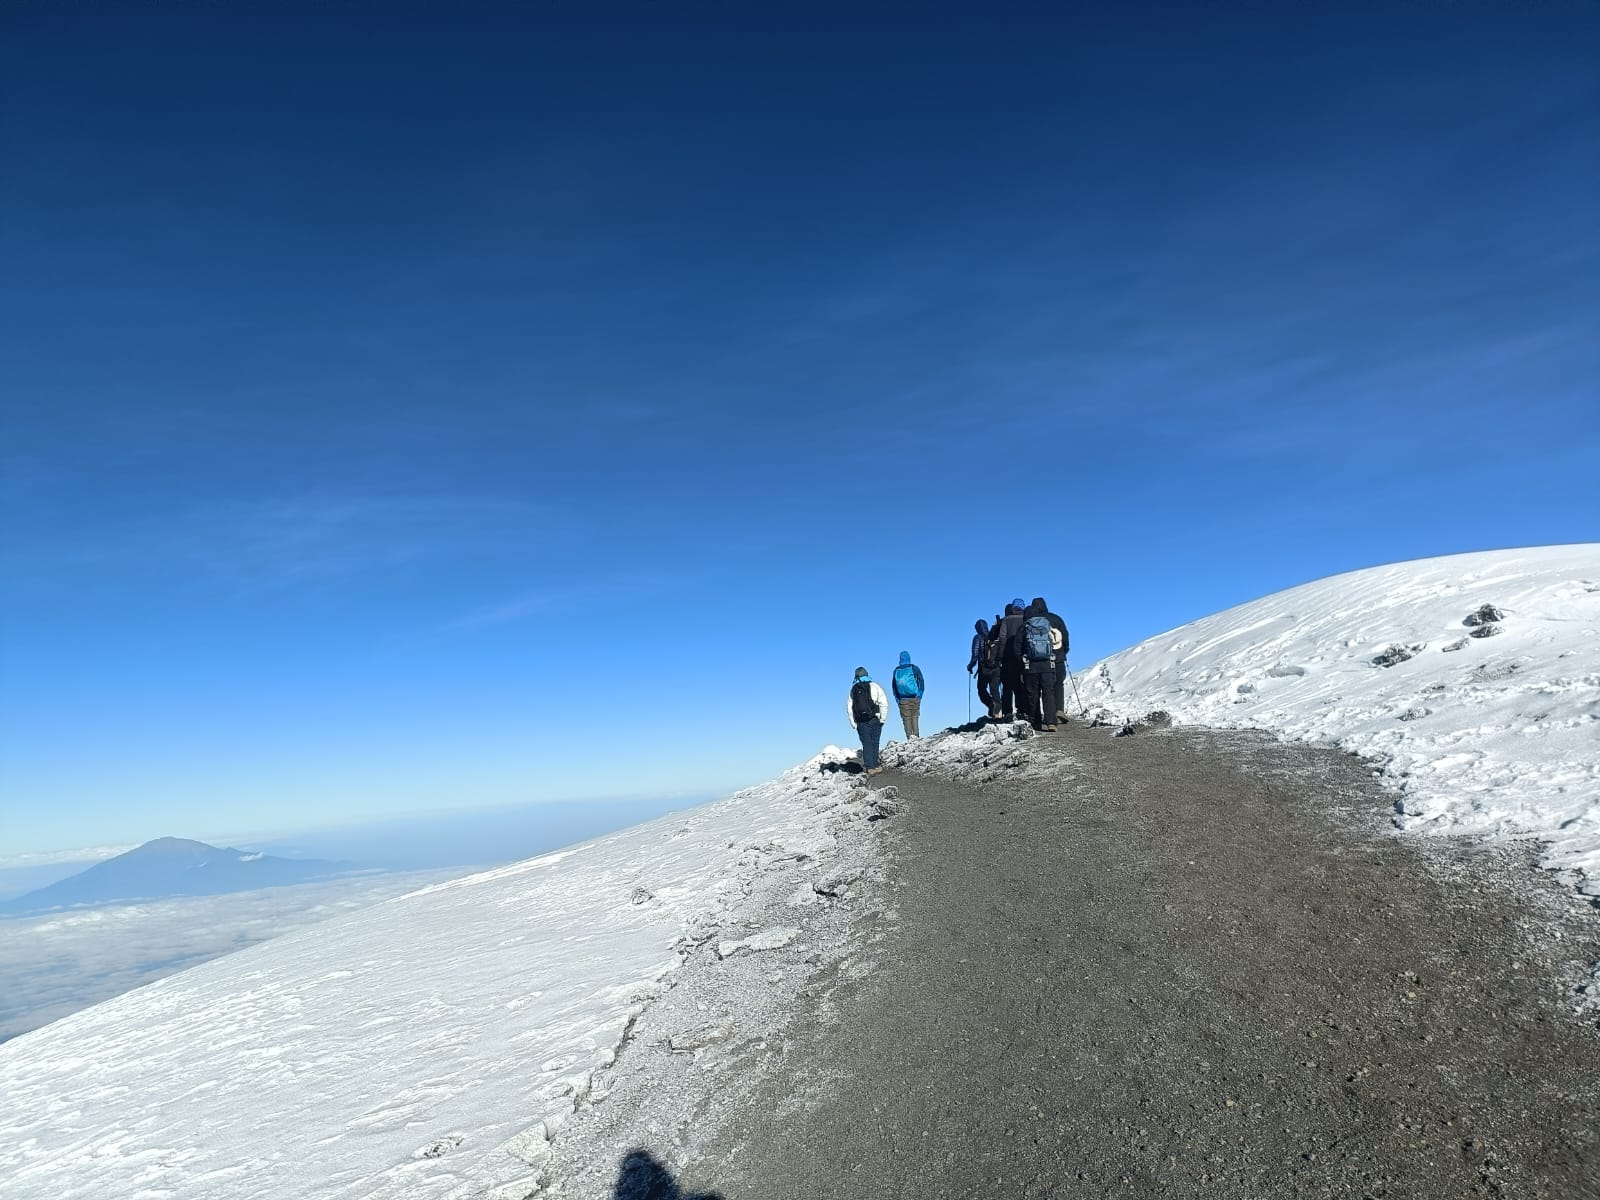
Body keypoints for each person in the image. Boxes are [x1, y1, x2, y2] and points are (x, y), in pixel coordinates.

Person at [1020, 599, 1060, 731]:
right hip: (1048, 665)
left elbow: (1016, 648)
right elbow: (1056, 642)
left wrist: (1022, 659)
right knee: (1049, 693)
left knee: (1033, 694)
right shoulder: (1046, 625)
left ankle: (1036, 722)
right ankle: (1051, 722)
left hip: (1030, 667)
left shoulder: (1025, 627)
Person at [1031, 595, 1071, 721]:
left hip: (1041, 658)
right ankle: (1059, 709)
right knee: (1058, 683)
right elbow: (1065, 636)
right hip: (1058, 656)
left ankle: (1047, 714)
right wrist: (1065, 651)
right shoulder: (1056, 618)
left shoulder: (1033, 621)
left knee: (1044, 687)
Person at [846, 666, 890, 774]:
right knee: (875, 741)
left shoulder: (854, 689)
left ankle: (870, 768)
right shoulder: (874, 686)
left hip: (861, 721)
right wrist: (882, 719)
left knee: (866, 743)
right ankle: (875, 765)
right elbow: (883, 703)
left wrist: (853, 723)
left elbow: (849, 707)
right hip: (875, 718)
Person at [996, 599, 1027, 721]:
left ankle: (1008, 712)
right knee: (1021, 683)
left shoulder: (1006, 620)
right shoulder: (1026, 619)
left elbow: (1002, 638)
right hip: (1023, 656)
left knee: (1007, 685)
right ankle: (1022, 710)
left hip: (1008, 657)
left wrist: (1000, 655)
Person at [967, 619, 1002, 721]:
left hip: (984, 669)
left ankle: (991, 704)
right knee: (995, 690)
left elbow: (975, 655)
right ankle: (997, 712)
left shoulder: (977, 638)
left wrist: (970, 666)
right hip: (996, 668)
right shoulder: (994, 636)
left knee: (981, 690)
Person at [891, 650, 925, 738]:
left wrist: (897, 699)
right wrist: (920, 693)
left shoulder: (896, 670)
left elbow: (894, 686)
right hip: (915, 697)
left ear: (900, 659)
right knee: (915, 716)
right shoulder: (914, 668)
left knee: (906, 718)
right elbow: (921, 680)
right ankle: (917, 737)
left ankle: (909, 738)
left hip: (902, 699)